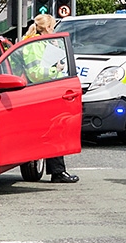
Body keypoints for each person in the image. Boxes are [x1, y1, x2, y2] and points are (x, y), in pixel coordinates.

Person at [22, 14, 79, 184]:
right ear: (47, 28)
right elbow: (36, 73)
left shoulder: (36, 43)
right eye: (53, 27)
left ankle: (54, 171)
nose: (53, 30)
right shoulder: (34, 45)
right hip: (39, 92)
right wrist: (57, 69)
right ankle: (57, 172)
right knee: (55, 131)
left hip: (36, 93)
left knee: (47, 131)